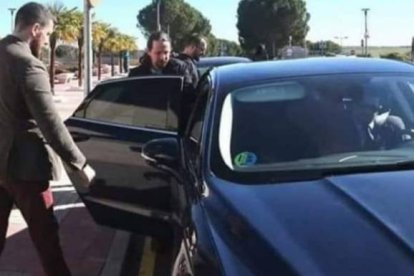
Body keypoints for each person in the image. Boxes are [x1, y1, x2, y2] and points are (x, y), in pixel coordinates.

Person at [0, 2, 94, 275]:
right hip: (27, 170)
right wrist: (79, 163)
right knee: (47, 242)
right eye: (48, 34)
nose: (47, 40)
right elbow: (51, 124)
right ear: (36, 29)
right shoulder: (29, 64)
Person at [129, 31, 194, 131]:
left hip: (174, 130)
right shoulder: (137, 75)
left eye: (166, 52)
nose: (163, 57)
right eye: (158, 53)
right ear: (149, 51)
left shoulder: (180, 70)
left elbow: (189, 100)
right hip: (144, 129)